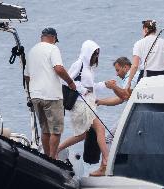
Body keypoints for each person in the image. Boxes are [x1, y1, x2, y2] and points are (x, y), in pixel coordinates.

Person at [57, 40, 109, 177]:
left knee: (82, 135)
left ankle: (57, 150)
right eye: (94, 54)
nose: (96, 57)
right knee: (100, 129)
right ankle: (106, 162)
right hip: (80, 104)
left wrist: (104, 84)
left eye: (97, 54)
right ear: (87, 52)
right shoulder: (79, 63)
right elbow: (66, 80)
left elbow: (91, 88)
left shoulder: (89, 68)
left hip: (88, 104)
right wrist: (81, 89)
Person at [24, 27, 76, 159]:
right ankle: (53, 158)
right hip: (51, 95)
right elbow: (58, 68)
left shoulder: (31, 51)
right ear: (53, 38)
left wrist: (31, 92)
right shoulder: (53, 49)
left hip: (35, 95)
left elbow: (27, 77)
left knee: (45, 129)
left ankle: (47, 158)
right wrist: (70, 82)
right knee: (56, 130)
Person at [96, 57, 139, 145]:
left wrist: (113, 87)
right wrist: (100, 102)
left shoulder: (131, 78)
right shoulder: (129, 78)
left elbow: (125, 95)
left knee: (109, 138)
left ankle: (106, 158)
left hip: (136, 113)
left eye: (118, 70)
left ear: (126, 67)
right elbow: (121, 99)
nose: (116, 74)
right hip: (135, 112)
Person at [127, 20, 164, 87]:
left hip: (145, 76)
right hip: (160, 76)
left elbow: (135, 66)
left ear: (146, 29)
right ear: (155, 30)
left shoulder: (139, 43)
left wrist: (129, 82)